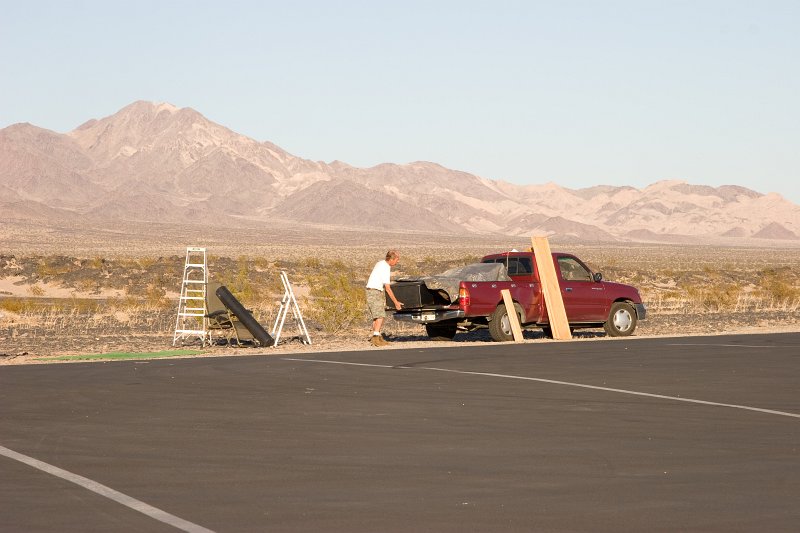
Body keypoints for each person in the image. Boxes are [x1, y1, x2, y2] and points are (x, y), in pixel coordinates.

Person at [365, 250, 403, 346]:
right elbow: (388, 288)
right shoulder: (386, 267)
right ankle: (375, 338)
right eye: (396, 260)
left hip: (372, 291)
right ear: (391, 259)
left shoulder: (380, 263)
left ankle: (377, 336)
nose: (397, 262)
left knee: (377, 316)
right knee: (380, 315)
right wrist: (396, 303)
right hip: (374, 291)